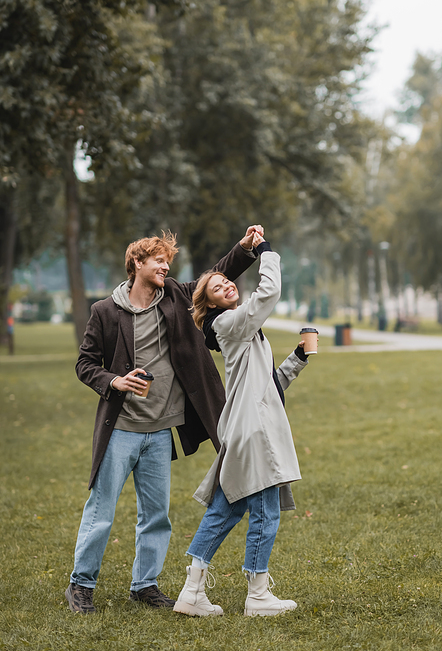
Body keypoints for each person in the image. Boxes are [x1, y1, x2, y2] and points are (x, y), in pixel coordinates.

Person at [65, 226, 262, 614]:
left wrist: (244, 247)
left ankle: (145, 585)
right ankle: (81, 585)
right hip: (120, 429)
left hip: (159, 432)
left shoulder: (173, 294)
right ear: (136, 262)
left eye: (168, 262)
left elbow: (214, 276)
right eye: (159, 261)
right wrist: (114, 380)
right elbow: (84, 364)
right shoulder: (104, 311)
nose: (166, 267)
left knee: (156, 515)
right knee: (101, 509)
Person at [173, 233, 310, 618]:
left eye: (226, 280)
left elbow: (267, 384)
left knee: (225, 511)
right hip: (254, 434)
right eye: (217, 286)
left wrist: (297, 359)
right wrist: (267, 253)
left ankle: (191, 591)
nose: (227, 283)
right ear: (210, 304)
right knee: (266, 513)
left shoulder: (241, 330)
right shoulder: (228, 323)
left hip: (242, 429)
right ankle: (258, 595)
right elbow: (267, 294)